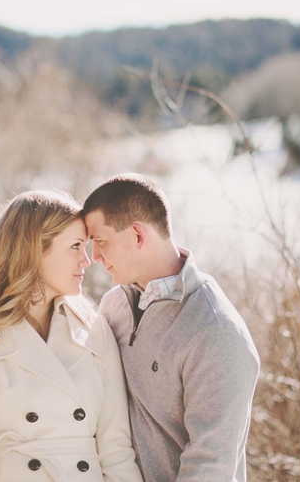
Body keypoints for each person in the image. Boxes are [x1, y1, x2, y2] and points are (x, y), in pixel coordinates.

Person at [0, 190, 143, 482]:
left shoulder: (95, 330)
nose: (87, 261)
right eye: (76, 247)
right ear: (34, 249)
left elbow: (117, 454)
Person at [83, 174, 260, 482]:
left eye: (100, 242)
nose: (94, 257)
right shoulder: (114, 306)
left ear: (137, 235)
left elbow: (211, 464)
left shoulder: (215, 331)